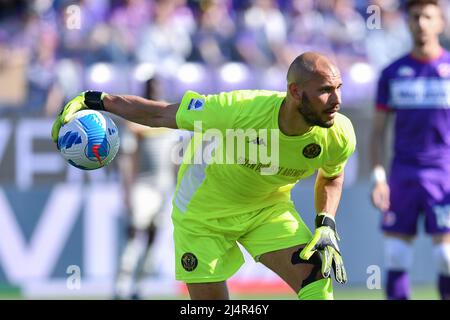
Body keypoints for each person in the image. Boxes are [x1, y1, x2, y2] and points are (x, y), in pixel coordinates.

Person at [51, 52, 356, 300]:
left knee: (317, 284)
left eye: (338, 88)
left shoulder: (339, 133)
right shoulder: (237, 110)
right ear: (294, 92)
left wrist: (325, 221)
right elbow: (160, 114)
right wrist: (96, 100)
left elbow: (332, 175)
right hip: (202, 216)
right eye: (325, 91)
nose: (336, 100)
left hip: (268, 210)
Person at [370, 0, 450, 300]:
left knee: (446, 257)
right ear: (407, 22)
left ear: (440, 22)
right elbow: (377, 134)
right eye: (415, 16)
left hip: (444, 173)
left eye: (428, 16)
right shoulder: (392, 73)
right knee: (395, 256)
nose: (421, 23)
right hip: (402, 174)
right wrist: (379, 178)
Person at [114, 77, 178, 299]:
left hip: (164, 189)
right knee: (134, 234)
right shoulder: (136, 122)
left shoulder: (171, 120)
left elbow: (176, 159)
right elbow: (127, 159)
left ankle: (137, 289)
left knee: (153, 239)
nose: (156, 91)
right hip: (143, 187)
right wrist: (127, 190)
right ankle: (120, 288)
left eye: (158, 87)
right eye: (151, 88)